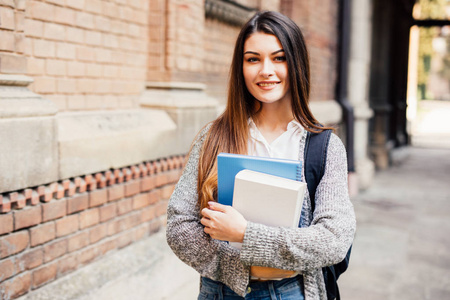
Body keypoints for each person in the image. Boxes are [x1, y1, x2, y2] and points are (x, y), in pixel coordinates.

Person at [166, 11, 356, 300]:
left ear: (297, 64)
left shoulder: (324, 147)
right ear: (241, 67)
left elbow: (334, 238)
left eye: (279, 58)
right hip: (220, 292)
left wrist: (246, 235)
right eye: (253, 59)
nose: (265, 70)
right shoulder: (214, 136)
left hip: (291, 292)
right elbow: (179, 225)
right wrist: (238, 267)